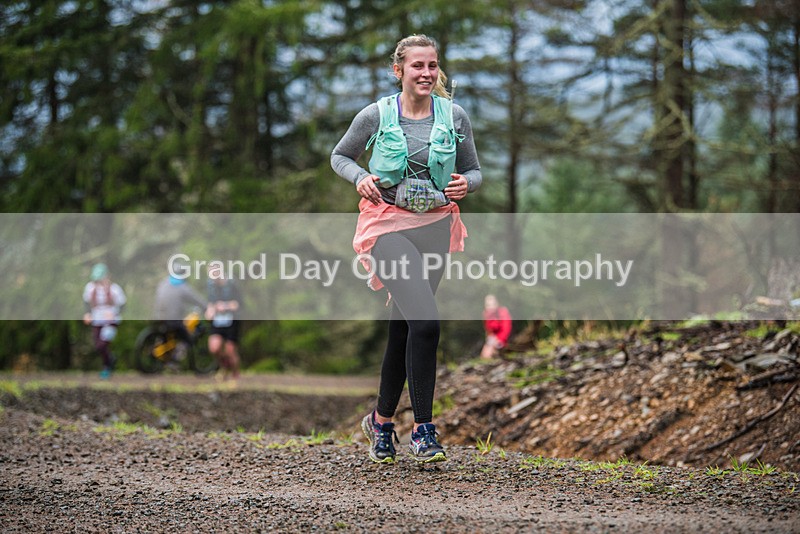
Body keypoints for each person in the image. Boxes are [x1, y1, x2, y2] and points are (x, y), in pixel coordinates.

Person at [331, 34, 482, 464]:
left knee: (405, 327)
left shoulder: (453, 116)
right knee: (428, 323)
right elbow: (339, 156)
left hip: (436, 227)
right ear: (399, 70)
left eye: (432, 66)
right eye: (418, 66)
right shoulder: (376, 115)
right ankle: (423, 430)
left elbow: (473, 170)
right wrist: (358, 177)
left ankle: (380, 423)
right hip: (387, 226)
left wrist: (464, 184)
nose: (426, 74)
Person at [82, 263, 126, 379]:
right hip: (97, 320)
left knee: (102, 344)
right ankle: (109, 360)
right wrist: (87, 314)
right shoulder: (90, 288)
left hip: (110, 322)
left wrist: (114, 312)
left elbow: (122, 304)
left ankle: (107, 367)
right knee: (97, 346)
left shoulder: (115, 289)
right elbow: (86, 303)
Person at [153, 272, 208, 360]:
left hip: (158, 318)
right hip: (174, 321)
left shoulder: (163, 283)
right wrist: (207, 306)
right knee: (187, 339)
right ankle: (176, 359)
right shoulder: (183, 287)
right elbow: (196, 299)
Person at [205, 272, 242, 381]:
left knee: (230, 351)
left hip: (231, 322)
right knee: (214, 348)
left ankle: (235, 374)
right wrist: (210, 311)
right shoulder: (211, 287)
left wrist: (225, 306)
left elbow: (238, 304)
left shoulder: (231, 285)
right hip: (217, 322)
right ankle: (224, 366)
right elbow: (210, 305)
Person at [481, 294, 512, 360]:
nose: (491, 307)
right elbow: (488, 330)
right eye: (488, 305)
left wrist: (499, 340)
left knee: (489, 352)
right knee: (485, 353)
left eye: (493, 304)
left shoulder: (503, 312)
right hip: (493, 338)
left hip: (504, 338)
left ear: (497, 304)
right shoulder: (486, 314)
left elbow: (506, 329)